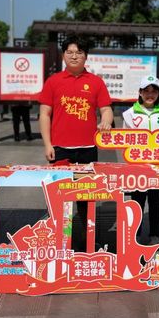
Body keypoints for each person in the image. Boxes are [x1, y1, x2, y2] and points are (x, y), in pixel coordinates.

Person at [38, 37, 113, 251]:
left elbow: (106, 109)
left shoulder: (96, 82)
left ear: (85, 56)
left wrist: (106, 121)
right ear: (63, 55)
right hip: (60, 149)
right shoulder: (53, 81)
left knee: (86, 199)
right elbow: (44, 114)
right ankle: (58, 242)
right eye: (70, 52)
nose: (74, 56)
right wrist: (47, 144)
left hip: (88, 150)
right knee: (59, 197)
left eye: (79, 52)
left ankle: (88, 241)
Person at [122, 75, 159, 245]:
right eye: (146, 91)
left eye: (154, 91)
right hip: (137, 166)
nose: (150, 95)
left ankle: (154, 235)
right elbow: (124, 141)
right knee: (137, 200)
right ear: (140, 92)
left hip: (158, 165)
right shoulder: (129, 114)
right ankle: (135, 236)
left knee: (156, 201)